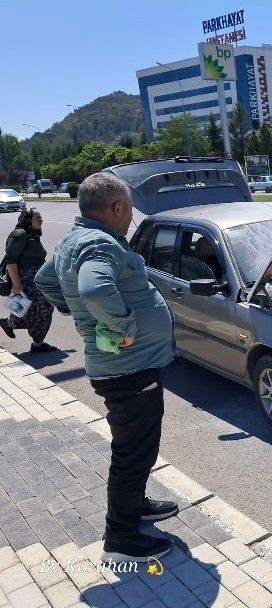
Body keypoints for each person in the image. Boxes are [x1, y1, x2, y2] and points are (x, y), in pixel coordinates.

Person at [35, 172, 178, 561]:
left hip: (127, 369)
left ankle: (136, 506)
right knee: (132, 453)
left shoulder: (73, 241)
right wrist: (123, 326)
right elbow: (95, 289)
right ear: (117, 208)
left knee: (140, 448)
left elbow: (44, 279)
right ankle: (121, 537)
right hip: (129, 371)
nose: (130, 217)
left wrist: (72, 312)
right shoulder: (99, 244)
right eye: (130, 209)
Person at [0, 208, 57, 352]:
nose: (41, 219)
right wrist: (17, 283)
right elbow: (11, 261)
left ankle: (10, 324)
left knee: (33, 309)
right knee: (42, 308)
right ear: (28, 220)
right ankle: (37, 342)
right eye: (37, 217)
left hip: (36, 280)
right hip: (26, 280)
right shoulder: (19, 234)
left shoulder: (33, 235)